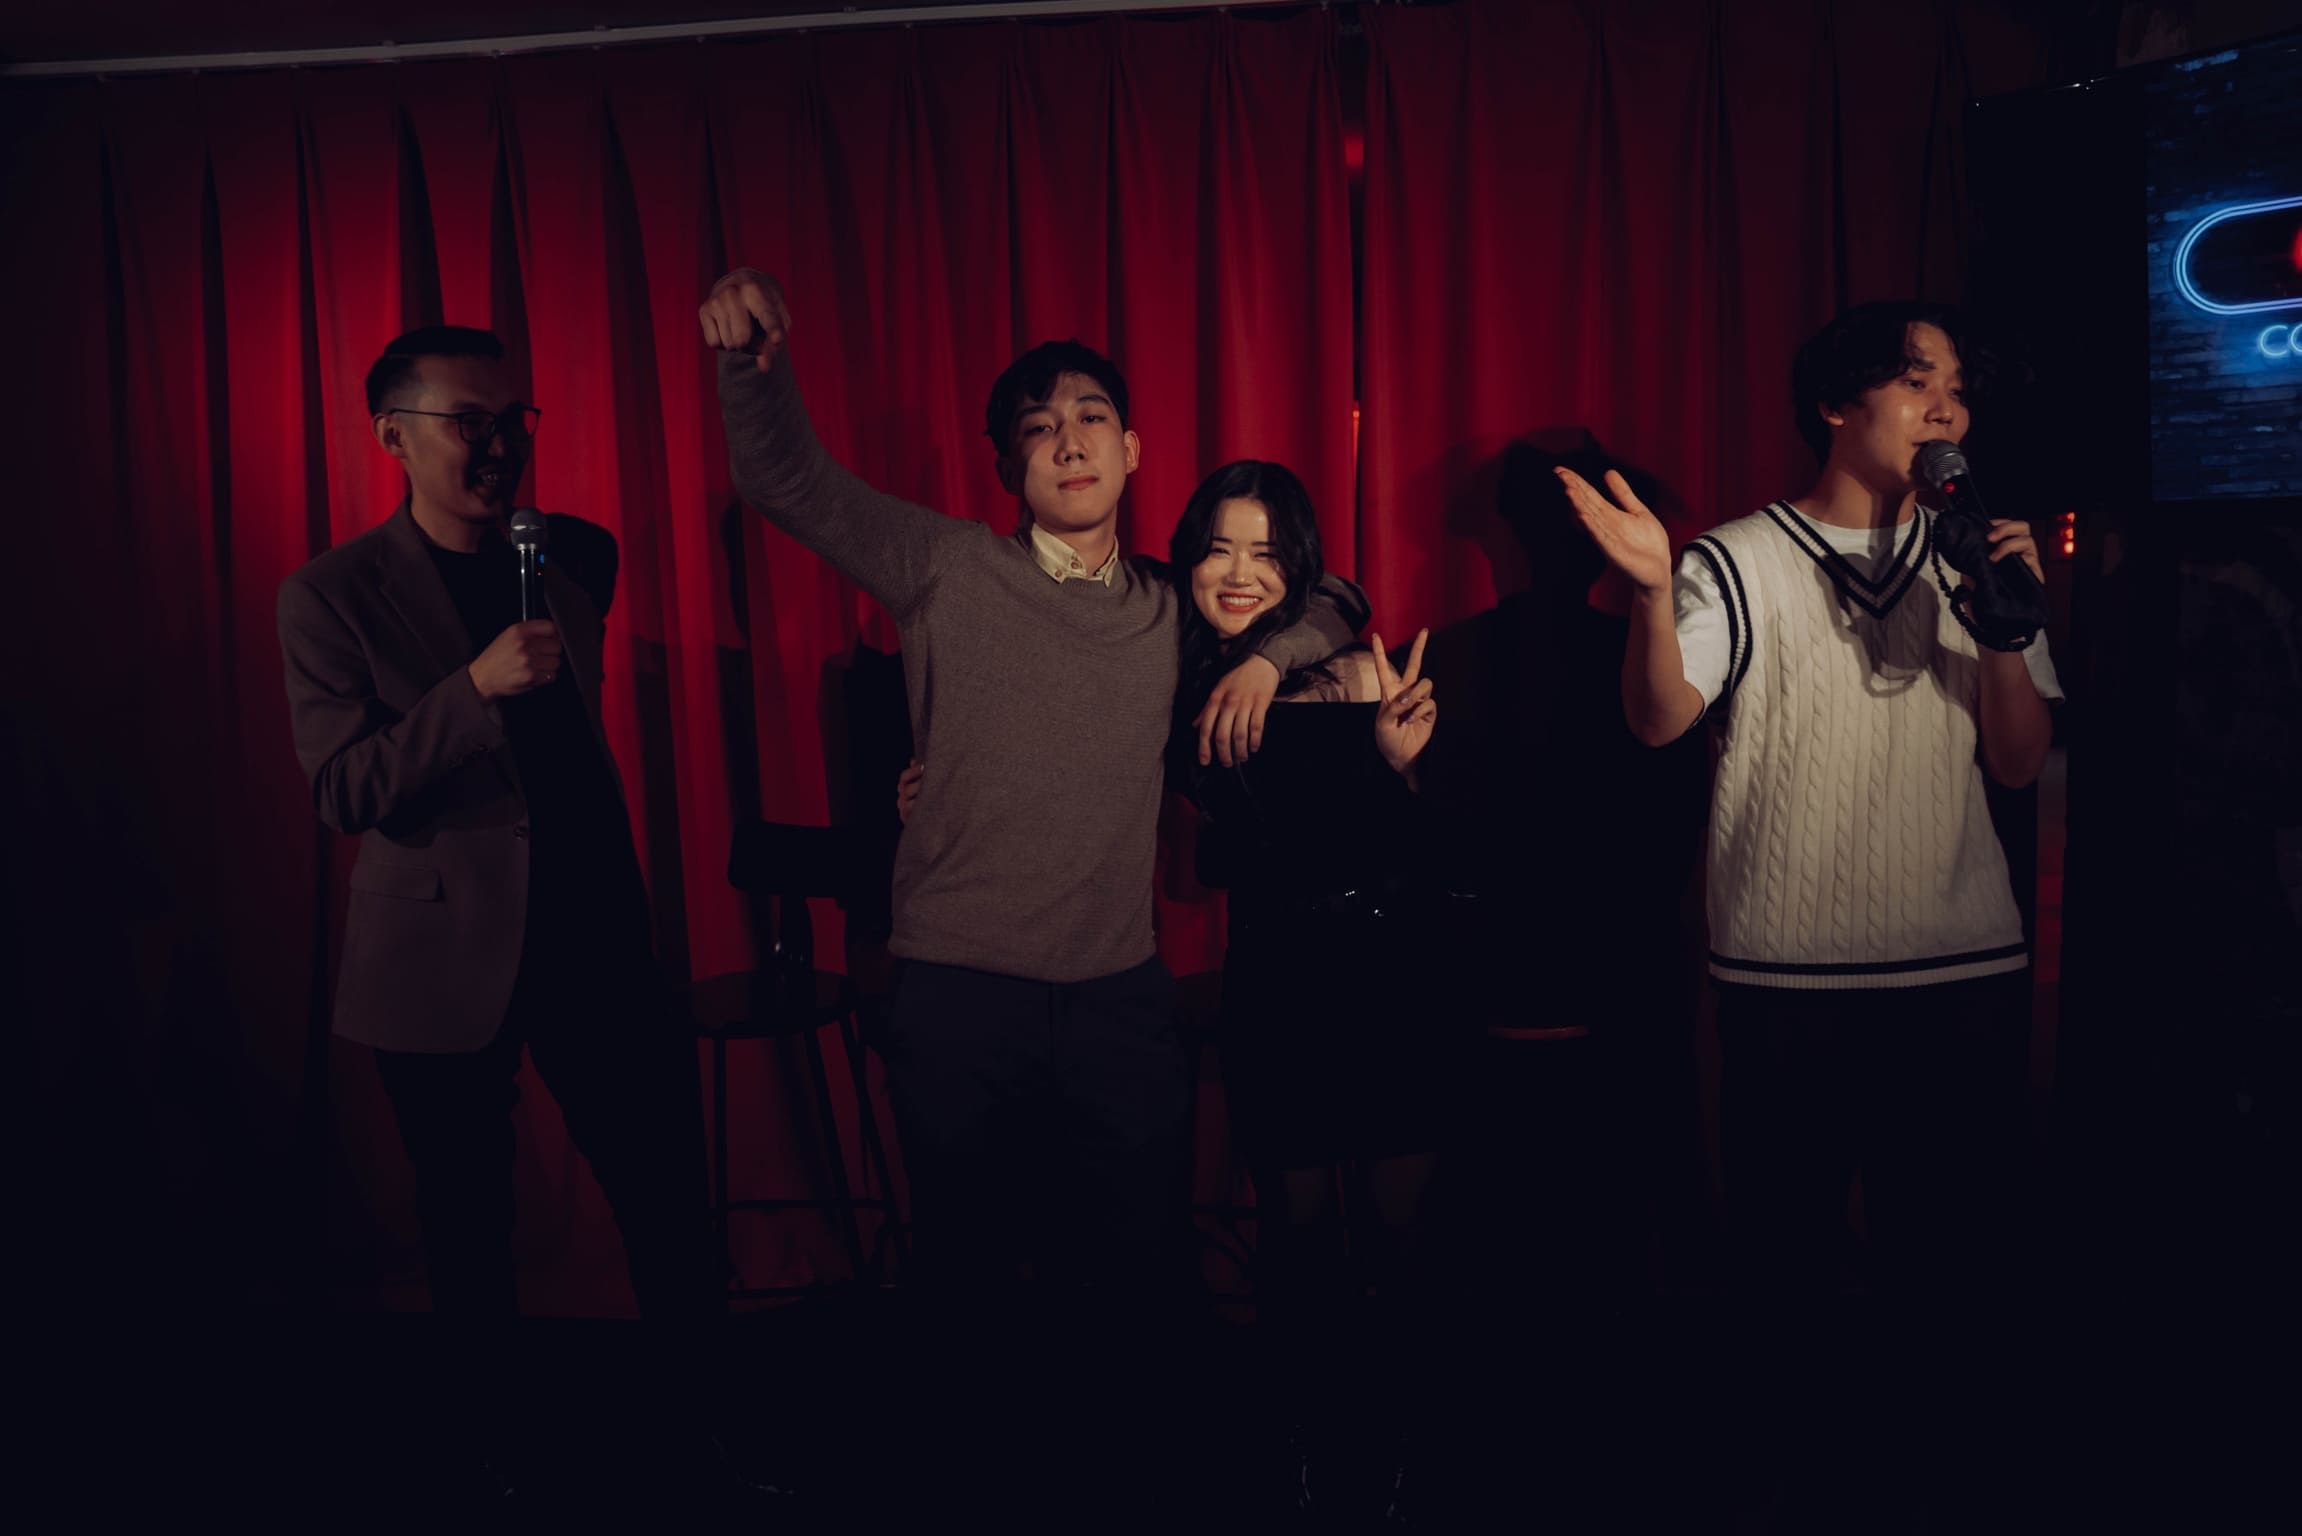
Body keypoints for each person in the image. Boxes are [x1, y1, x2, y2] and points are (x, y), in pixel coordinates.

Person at [698, 273, 1366, 1512]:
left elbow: (1335, 597)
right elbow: (788, 481)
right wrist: (752, 367)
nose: (1069, 438)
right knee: (965, 1279)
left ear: (1133, 450)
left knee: (1141, 1271)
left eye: (1091, 416)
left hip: (1117, 995)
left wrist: (1270, 661)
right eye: (1040, 424)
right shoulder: (947, 567)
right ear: (1012, 463)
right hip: (959, 989)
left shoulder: (1176, 609)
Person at [276, 326, 725, 1500]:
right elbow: (344, 788)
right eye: (466, 421)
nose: (497, 445)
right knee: (466, 1233)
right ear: (393, 436)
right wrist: (471, 691)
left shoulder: (573, 554)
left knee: (669, 1198)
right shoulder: (328, 594)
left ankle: (709, 1442)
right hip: (438, 952)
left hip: (591, 933)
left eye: (513, 420)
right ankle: (496, 1463)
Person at [1561, 302, 2062, 1302]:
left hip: (1961, 971)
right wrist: (1656, 592)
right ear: (1835, 404)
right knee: (1787, 1274)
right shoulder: (1736, 559)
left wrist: (2007, 627)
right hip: (1789, 980)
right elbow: (1659, 720)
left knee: (1953, 1273)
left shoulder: (1981, 554)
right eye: (1915, 382)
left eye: (1956, 391)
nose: (1943, 410)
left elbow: (2016, 766)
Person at [1163, 460, 1445, 1528]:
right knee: (1294, 1237)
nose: (1240, 573)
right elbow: (1229, 862)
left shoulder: (1342, 656)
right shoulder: (1171, 662)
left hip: (1385, 977)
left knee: (1399, 1240)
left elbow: (1347, 599)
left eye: (1268, 552)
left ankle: (1406, 1454)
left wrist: (1394, 767)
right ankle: (1308, 1458)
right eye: (1220, 548)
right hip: (1276, 980)